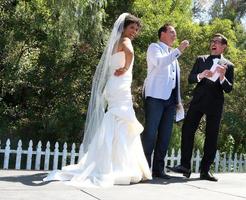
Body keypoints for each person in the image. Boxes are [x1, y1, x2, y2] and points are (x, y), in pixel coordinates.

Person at [43, 13, 152, 187]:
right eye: (132, 28)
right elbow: (129, 53)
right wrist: (125, 67)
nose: (134, 32)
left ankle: (111, 161)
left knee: (118, 118)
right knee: (122, 118)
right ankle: (120, 165)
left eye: (136, 29)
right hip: (120, 84)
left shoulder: (114, 43)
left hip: (114, 84)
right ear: (123, 28)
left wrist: (122, 68)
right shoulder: (125, 41)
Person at [167, 33, 234, 181]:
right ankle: (185, 166)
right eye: (212, 41)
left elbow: (229, 89)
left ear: (223, 46)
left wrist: (222, 77)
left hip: (215, 105)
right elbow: (191, 79)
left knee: (211, 136)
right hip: (198, 102)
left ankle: (205, 171)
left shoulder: (229, 65)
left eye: (217, 42)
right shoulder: (201, 59)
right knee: (187, 130)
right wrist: (200, 75)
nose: (213, 43)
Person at [141, 23, 189, 179]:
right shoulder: (154, 48)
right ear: (162, 33)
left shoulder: (172, 54)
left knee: (165, 135)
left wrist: (178, 101)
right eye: (172, 32)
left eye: (175, 33)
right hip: (155, 97)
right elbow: (161, 63)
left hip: (170, 102)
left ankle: (158, 169)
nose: (175, 35)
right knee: (150, 133)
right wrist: (179, 51)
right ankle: (144, 168)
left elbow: (175, 81)